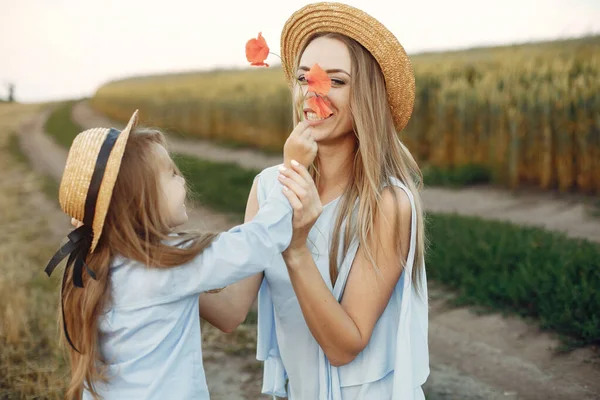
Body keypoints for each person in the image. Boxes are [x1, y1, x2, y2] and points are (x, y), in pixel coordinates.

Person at [204, 2, 430, 399]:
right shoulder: (266, 188)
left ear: (367, 96)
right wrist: (148, 250)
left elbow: (345, 345)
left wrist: (295, 248)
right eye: (305, 78)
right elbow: (229, 311)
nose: (315, 92)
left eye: (335, 81)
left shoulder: (388, 203)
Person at [44, 109, 321, 399]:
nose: (183, 179)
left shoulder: (99, 265)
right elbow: (255, 243)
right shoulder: (164, 267)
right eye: (172, 174)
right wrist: (292, 169)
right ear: (141, 200)